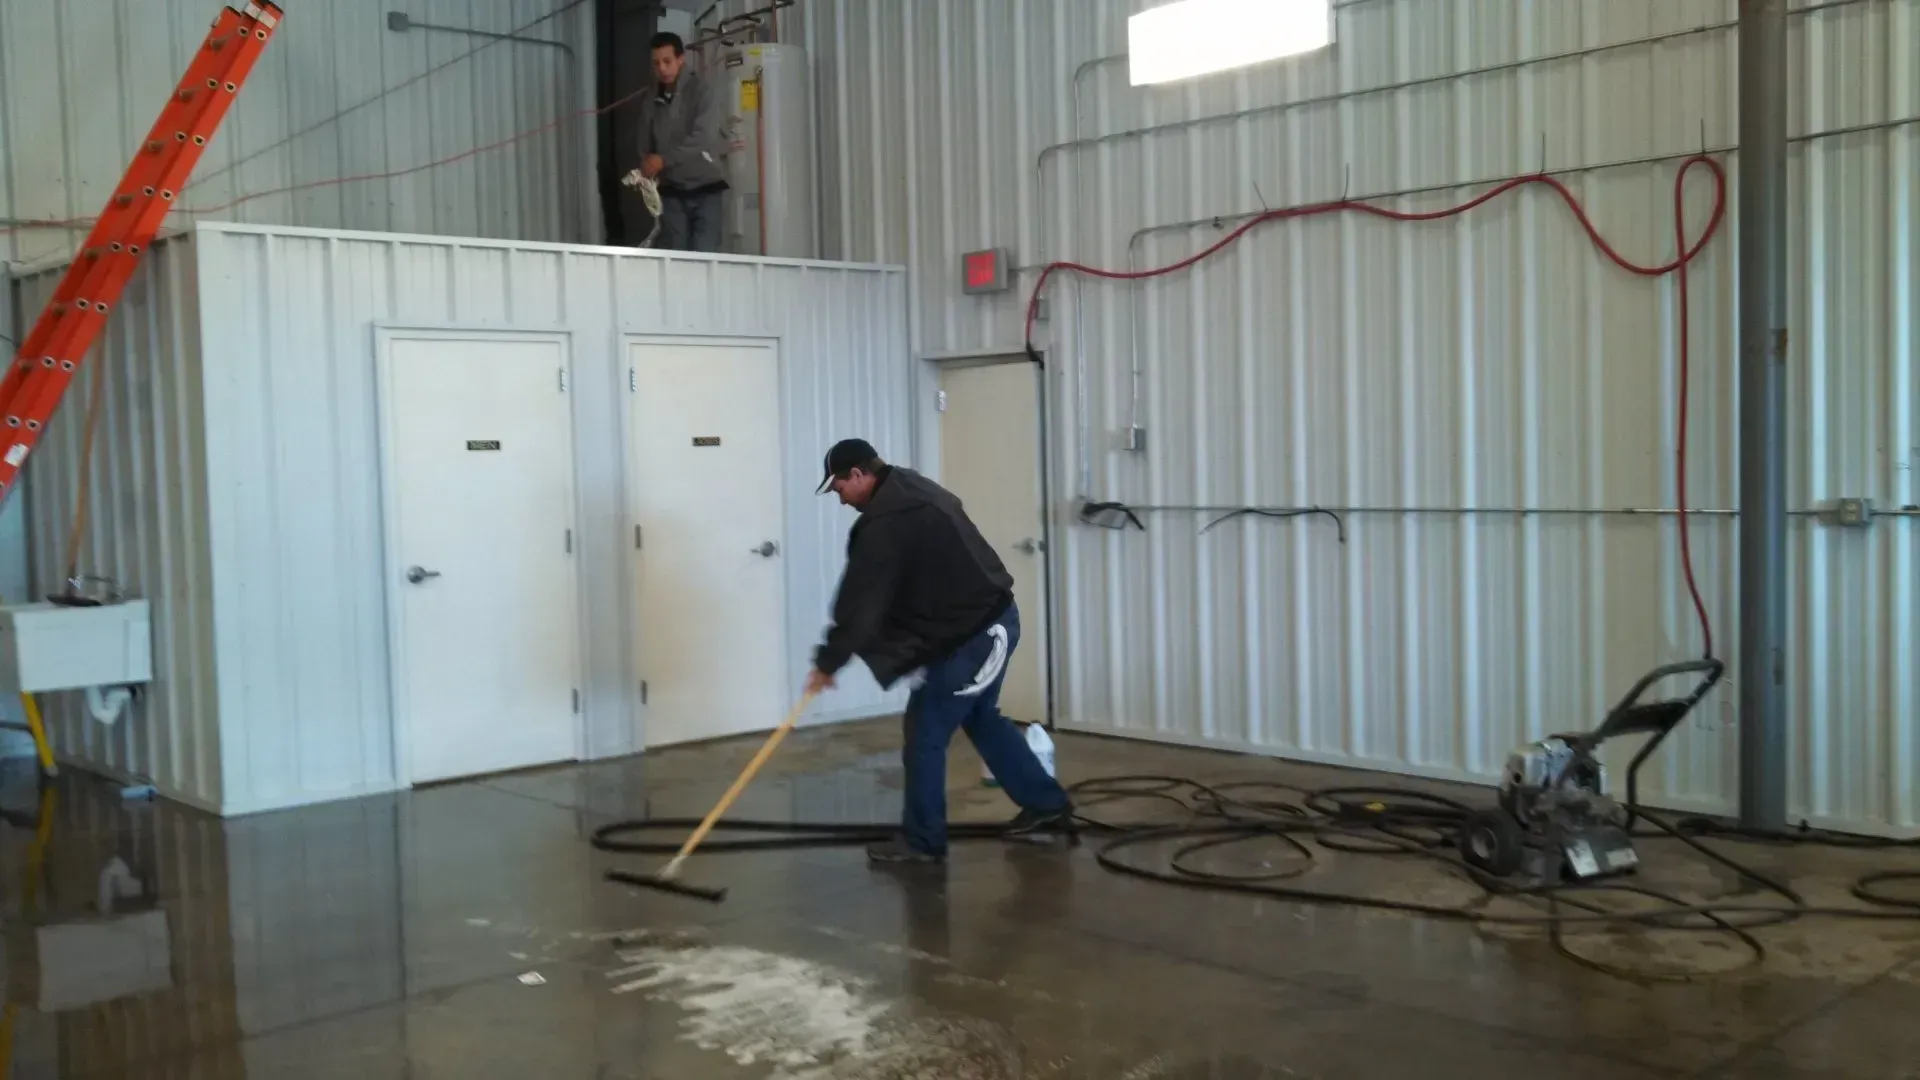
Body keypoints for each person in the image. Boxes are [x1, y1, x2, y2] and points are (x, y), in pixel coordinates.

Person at [805, 438, 1075, 864]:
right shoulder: (910, 489)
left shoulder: (888, 520)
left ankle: (923, 841)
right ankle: (1046, 804)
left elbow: (861, 603)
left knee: (925, 734)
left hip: (980, 633)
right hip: (980, 624)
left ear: (858, 474)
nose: (840, 500)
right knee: (981, 718)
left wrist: (827, 663)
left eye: (839, 488)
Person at [627, 32, 726, 252]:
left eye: (667, 61)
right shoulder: (651, 99)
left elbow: (702, 137)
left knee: (704, 256)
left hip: (706, 190)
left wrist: (663, 160)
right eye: (656, 63)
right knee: (676, 256)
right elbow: (644, 141)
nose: (662, 69)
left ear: (681, 59)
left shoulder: (702, 92)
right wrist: (646, 164)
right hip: (671, 193)